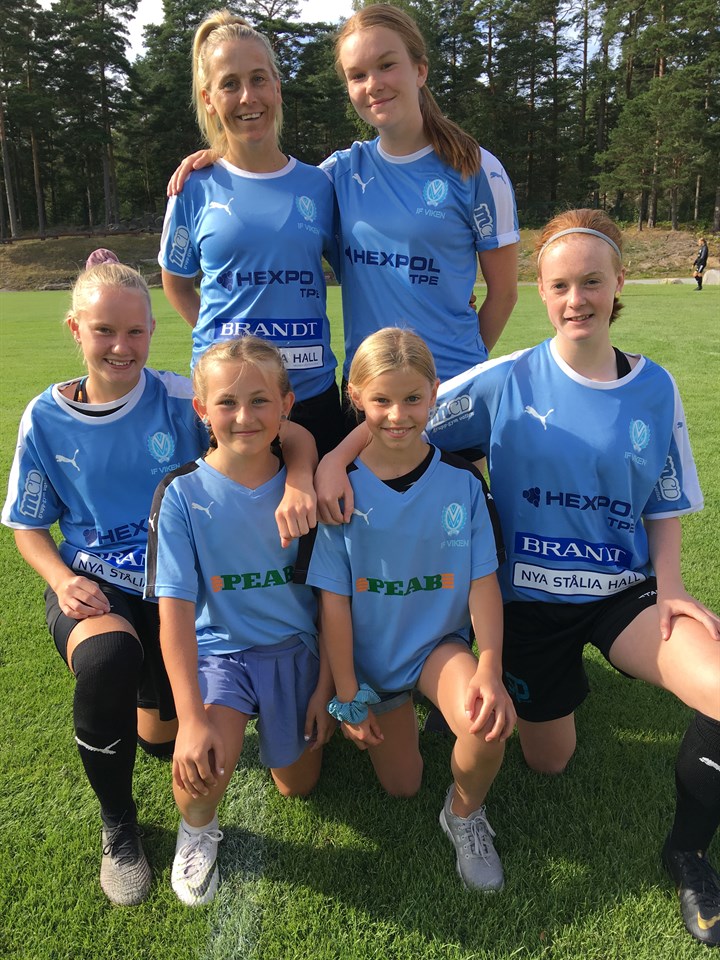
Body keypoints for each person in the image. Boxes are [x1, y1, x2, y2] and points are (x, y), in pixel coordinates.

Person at [422, 210, 720, 947]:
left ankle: (687, 854)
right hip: (526, 607)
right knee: (549, 762)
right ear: (541, 291)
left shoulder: (655, 388)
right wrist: (334, 464)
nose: (576, 298)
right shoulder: (504, 379)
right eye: (560, 285)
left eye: (591, 281)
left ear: (619, 284)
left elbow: (664, 503)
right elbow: (401, 425)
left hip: (623, 595)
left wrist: (672, 587)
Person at [168, 3, 520, 440]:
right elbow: (267, 188)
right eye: (357, 74)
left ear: (420, 69)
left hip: (448, 396)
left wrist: (460, 369)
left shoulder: (477, 169)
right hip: (367, 401)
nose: (374, 84)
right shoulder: (336, 175)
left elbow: (504, 293)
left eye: (387, 65)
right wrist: (219, 157)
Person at [1, 256, 208, 906]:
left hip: (174, 590)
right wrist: (61, 579)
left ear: (152, 329)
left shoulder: (182, 400)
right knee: (109, 657)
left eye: (134, 331)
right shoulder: (45, 417)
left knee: (159, 743)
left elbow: (261, 433)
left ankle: (154, 705)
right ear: (75, 329)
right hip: (95, 585)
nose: (121, 347)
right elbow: (28, 526)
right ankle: (119, 827)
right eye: (104, 331)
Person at [300, 327, 515, 891]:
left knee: (487, 726)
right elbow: (334, 603)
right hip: (371, 661)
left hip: (437, 649)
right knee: (402, 785)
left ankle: (464, 814)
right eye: (382, 400)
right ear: (355, 398)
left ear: (435, 392)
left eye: (413, 398)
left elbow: (483, 583)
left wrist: (489, 667)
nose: (398, 415)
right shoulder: (340, 489)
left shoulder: (462, 482)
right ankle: (398, 714)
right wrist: (349, 694)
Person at [145, 336, 335, 907]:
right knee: (202, 769)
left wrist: (325, 688)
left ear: (286, 406)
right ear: (202, 409)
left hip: (293, 650)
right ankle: (197, 831)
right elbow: (175, 614)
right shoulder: (181, 494)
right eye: (226, 402)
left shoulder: (310, 491)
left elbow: (332, 599)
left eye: (259, 401)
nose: (244, 416)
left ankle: (278, 723)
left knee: (298, 786)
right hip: (220, 654)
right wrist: (190, 719)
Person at [158, 10, 345, 458]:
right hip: (229, 403)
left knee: (320, 506)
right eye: (230, 84)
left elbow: (359, 272)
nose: (248, 96)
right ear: (209, 99)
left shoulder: (319, 186)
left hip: (309, 394)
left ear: (277, 88)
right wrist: (228, 346)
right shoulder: (192, 186)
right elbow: (176, 284)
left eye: (259, 79)